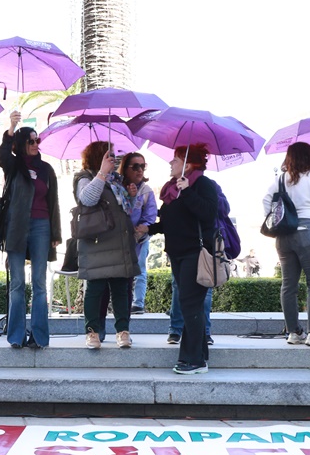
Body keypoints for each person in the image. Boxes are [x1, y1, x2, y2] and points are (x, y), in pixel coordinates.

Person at [149, 144, 218, 373]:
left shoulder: (202, 184)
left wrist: (188, 191)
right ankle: (199, 356)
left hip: (196, 253)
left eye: (175, 160)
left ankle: (194, 360)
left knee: (189, 304)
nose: (171, 163)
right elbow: (171, 221)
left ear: (188, 164)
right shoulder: (172, 189)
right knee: (190, 304)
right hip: (177, 253)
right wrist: (149, 230)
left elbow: (209, 213)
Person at [0, 111, 61, 349]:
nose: (35, 144)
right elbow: (2, 154)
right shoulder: (13, 166)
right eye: (31, 141)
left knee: (39, 284)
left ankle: (39, 336)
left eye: (37, 141)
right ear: (22, 144)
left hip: (42, 226)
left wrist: (56, 233)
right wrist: (11, 127)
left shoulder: (46, 169)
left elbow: (54, 202)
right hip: (16, 226)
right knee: (16, 284)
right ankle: (16, 336)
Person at [263, 142, 310, 347]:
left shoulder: (280, 179)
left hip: (284, 234)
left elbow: (266, 201)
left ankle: (294, 332)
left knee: (289, 285)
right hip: (308, 230)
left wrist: (275, 221)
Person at [75, 141, 138, 350]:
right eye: (109, 155)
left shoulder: (117, 180)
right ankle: (92, 332)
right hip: (97, 243)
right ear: (98, 156)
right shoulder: (84, 177)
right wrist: (101, 173)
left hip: (119, 242)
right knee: (95, 288)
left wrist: (131, 196)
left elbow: (125, 210)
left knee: (121, 288)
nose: (113, 158)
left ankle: (123, 331)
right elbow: (87, 199)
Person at [121, 152, 156, 314]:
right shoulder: (117, 187)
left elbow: (151, 215)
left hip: (140, 239)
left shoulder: (146, 190)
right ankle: (122, 302)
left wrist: (143, 228)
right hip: (119, 239)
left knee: (140, 269)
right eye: (135, 166)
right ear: (125, 168)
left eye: (142, 166)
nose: (139, 170)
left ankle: (138, 303)